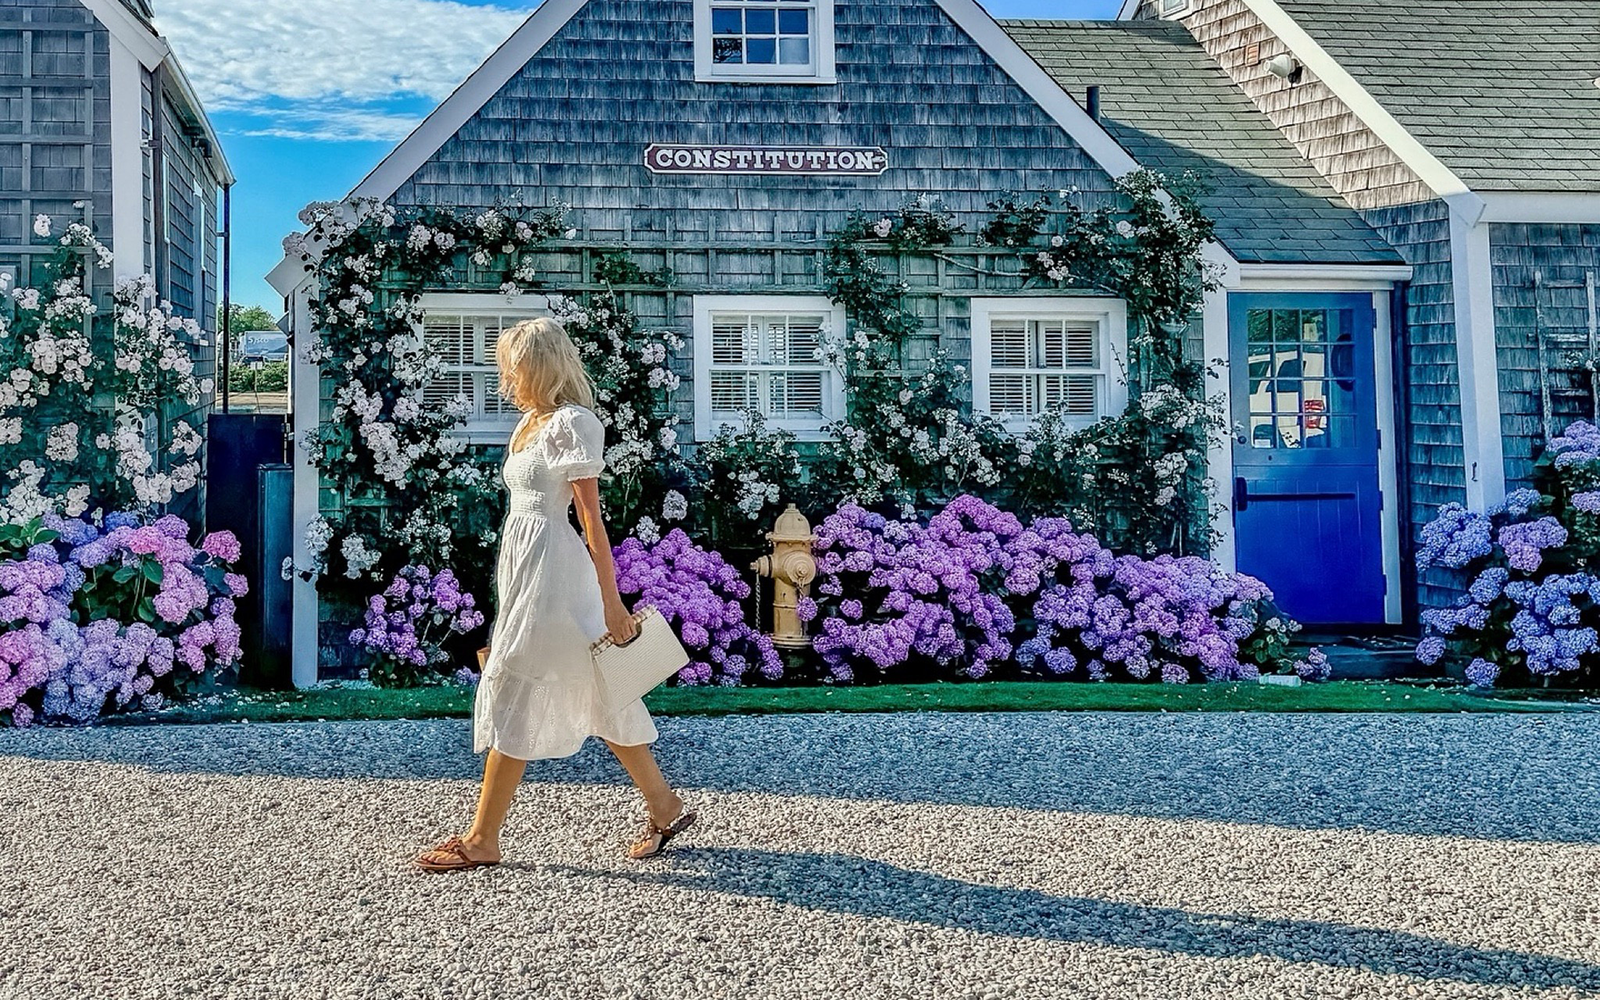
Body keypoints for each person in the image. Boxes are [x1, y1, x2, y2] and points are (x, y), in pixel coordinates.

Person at [414, 317, 695, 872]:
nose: (507, 378)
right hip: (524, 565)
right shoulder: (529, 425)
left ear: (540, 365)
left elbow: (591, 518)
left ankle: (482, 838)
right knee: (602, 687)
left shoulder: (572, 423)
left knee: (516, 679)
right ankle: (665, 806)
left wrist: (613, 602)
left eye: (515, 368)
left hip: (555, 569)